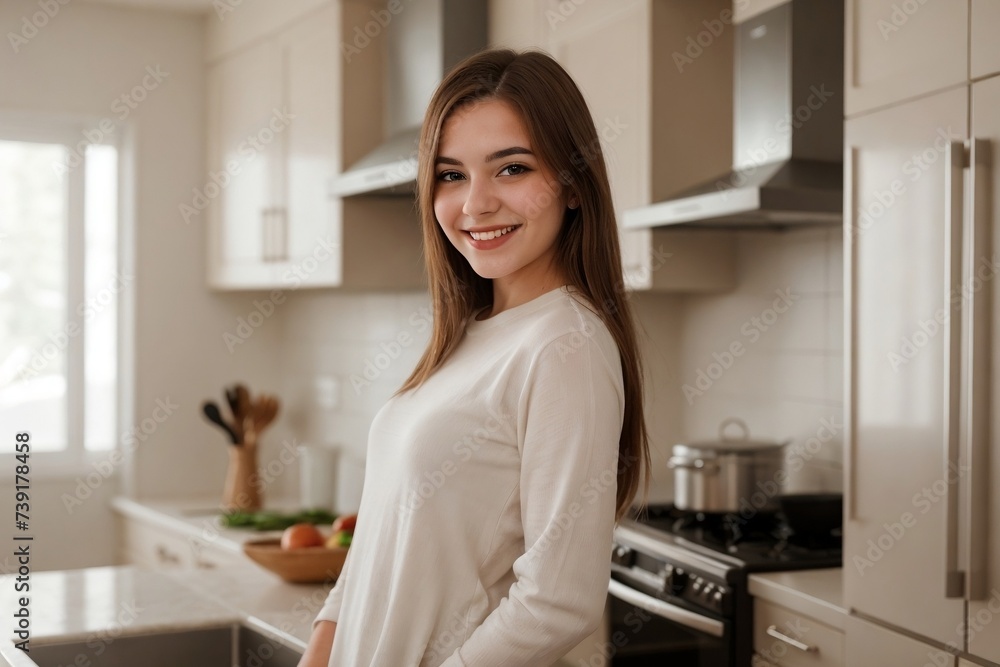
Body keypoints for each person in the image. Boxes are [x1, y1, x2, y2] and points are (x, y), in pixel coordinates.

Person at [297, 48, 649, 667]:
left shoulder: (565, 345)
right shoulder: (466, 335)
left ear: (570, 184)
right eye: (452, 174)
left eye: (510, 169)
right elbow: (378, 548)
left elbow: (558, 601)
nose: (474, 204)